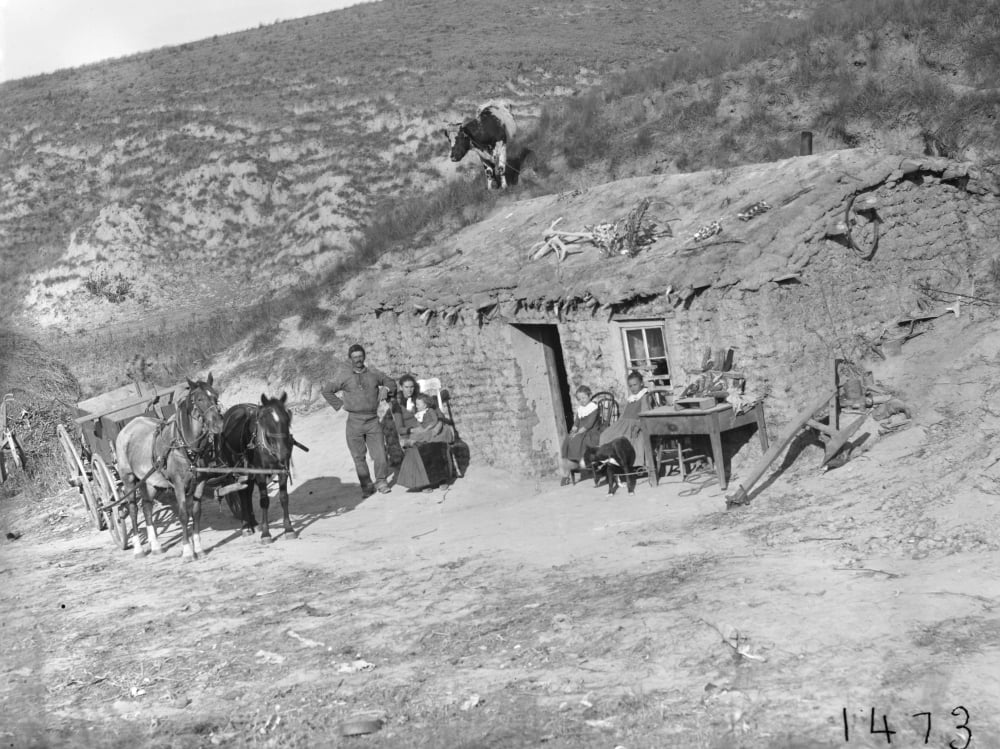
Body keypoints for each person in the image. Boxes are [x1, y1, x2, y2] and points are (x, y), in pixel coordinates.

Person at [320, 344, 397, 498]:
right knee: (358, 457)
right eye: (355, 357)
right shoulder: (344, 376)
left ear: (364, 357)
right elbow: (327, 391)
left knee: (380, 454)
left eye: (360, 356)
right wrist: (340, 405)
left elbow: (391, 382)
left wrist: (386, 389)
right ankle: (367, 487)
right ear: (350, 359)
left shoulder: (374, 374)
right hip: (354, 422)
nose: (358, 360)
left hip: (373, 420)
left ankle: (381, 481)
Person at [597, 370, 653, 471]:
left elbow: (645, 415)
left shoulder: (644, 397)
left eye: (635, 385)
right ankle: (609, 461)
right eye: (630, 386)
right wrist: (616, 426)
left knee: (629, 438)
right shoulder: (631, 399)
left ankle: (634, 464)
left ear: (641, 383)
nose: (633, 388)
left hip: (635, 424)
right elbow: (623, 415)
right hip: (623, 424)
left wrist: (638, 427)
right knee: (605, 435)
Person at [558, 386, 601, 486]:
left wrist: (578, 432)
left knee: (576, 439)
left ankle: (576, 462)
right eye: (579, 399)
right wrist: (574, 428)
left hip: (591, 432)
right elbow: (577, 421)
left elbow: (589, 425)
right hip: (581, 431)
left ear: (589, 396)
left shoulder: (593, 408)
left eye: (584, 398)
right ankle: (567, 471)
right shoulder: (581, 409)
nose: (582, 401)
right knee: (568, 439)